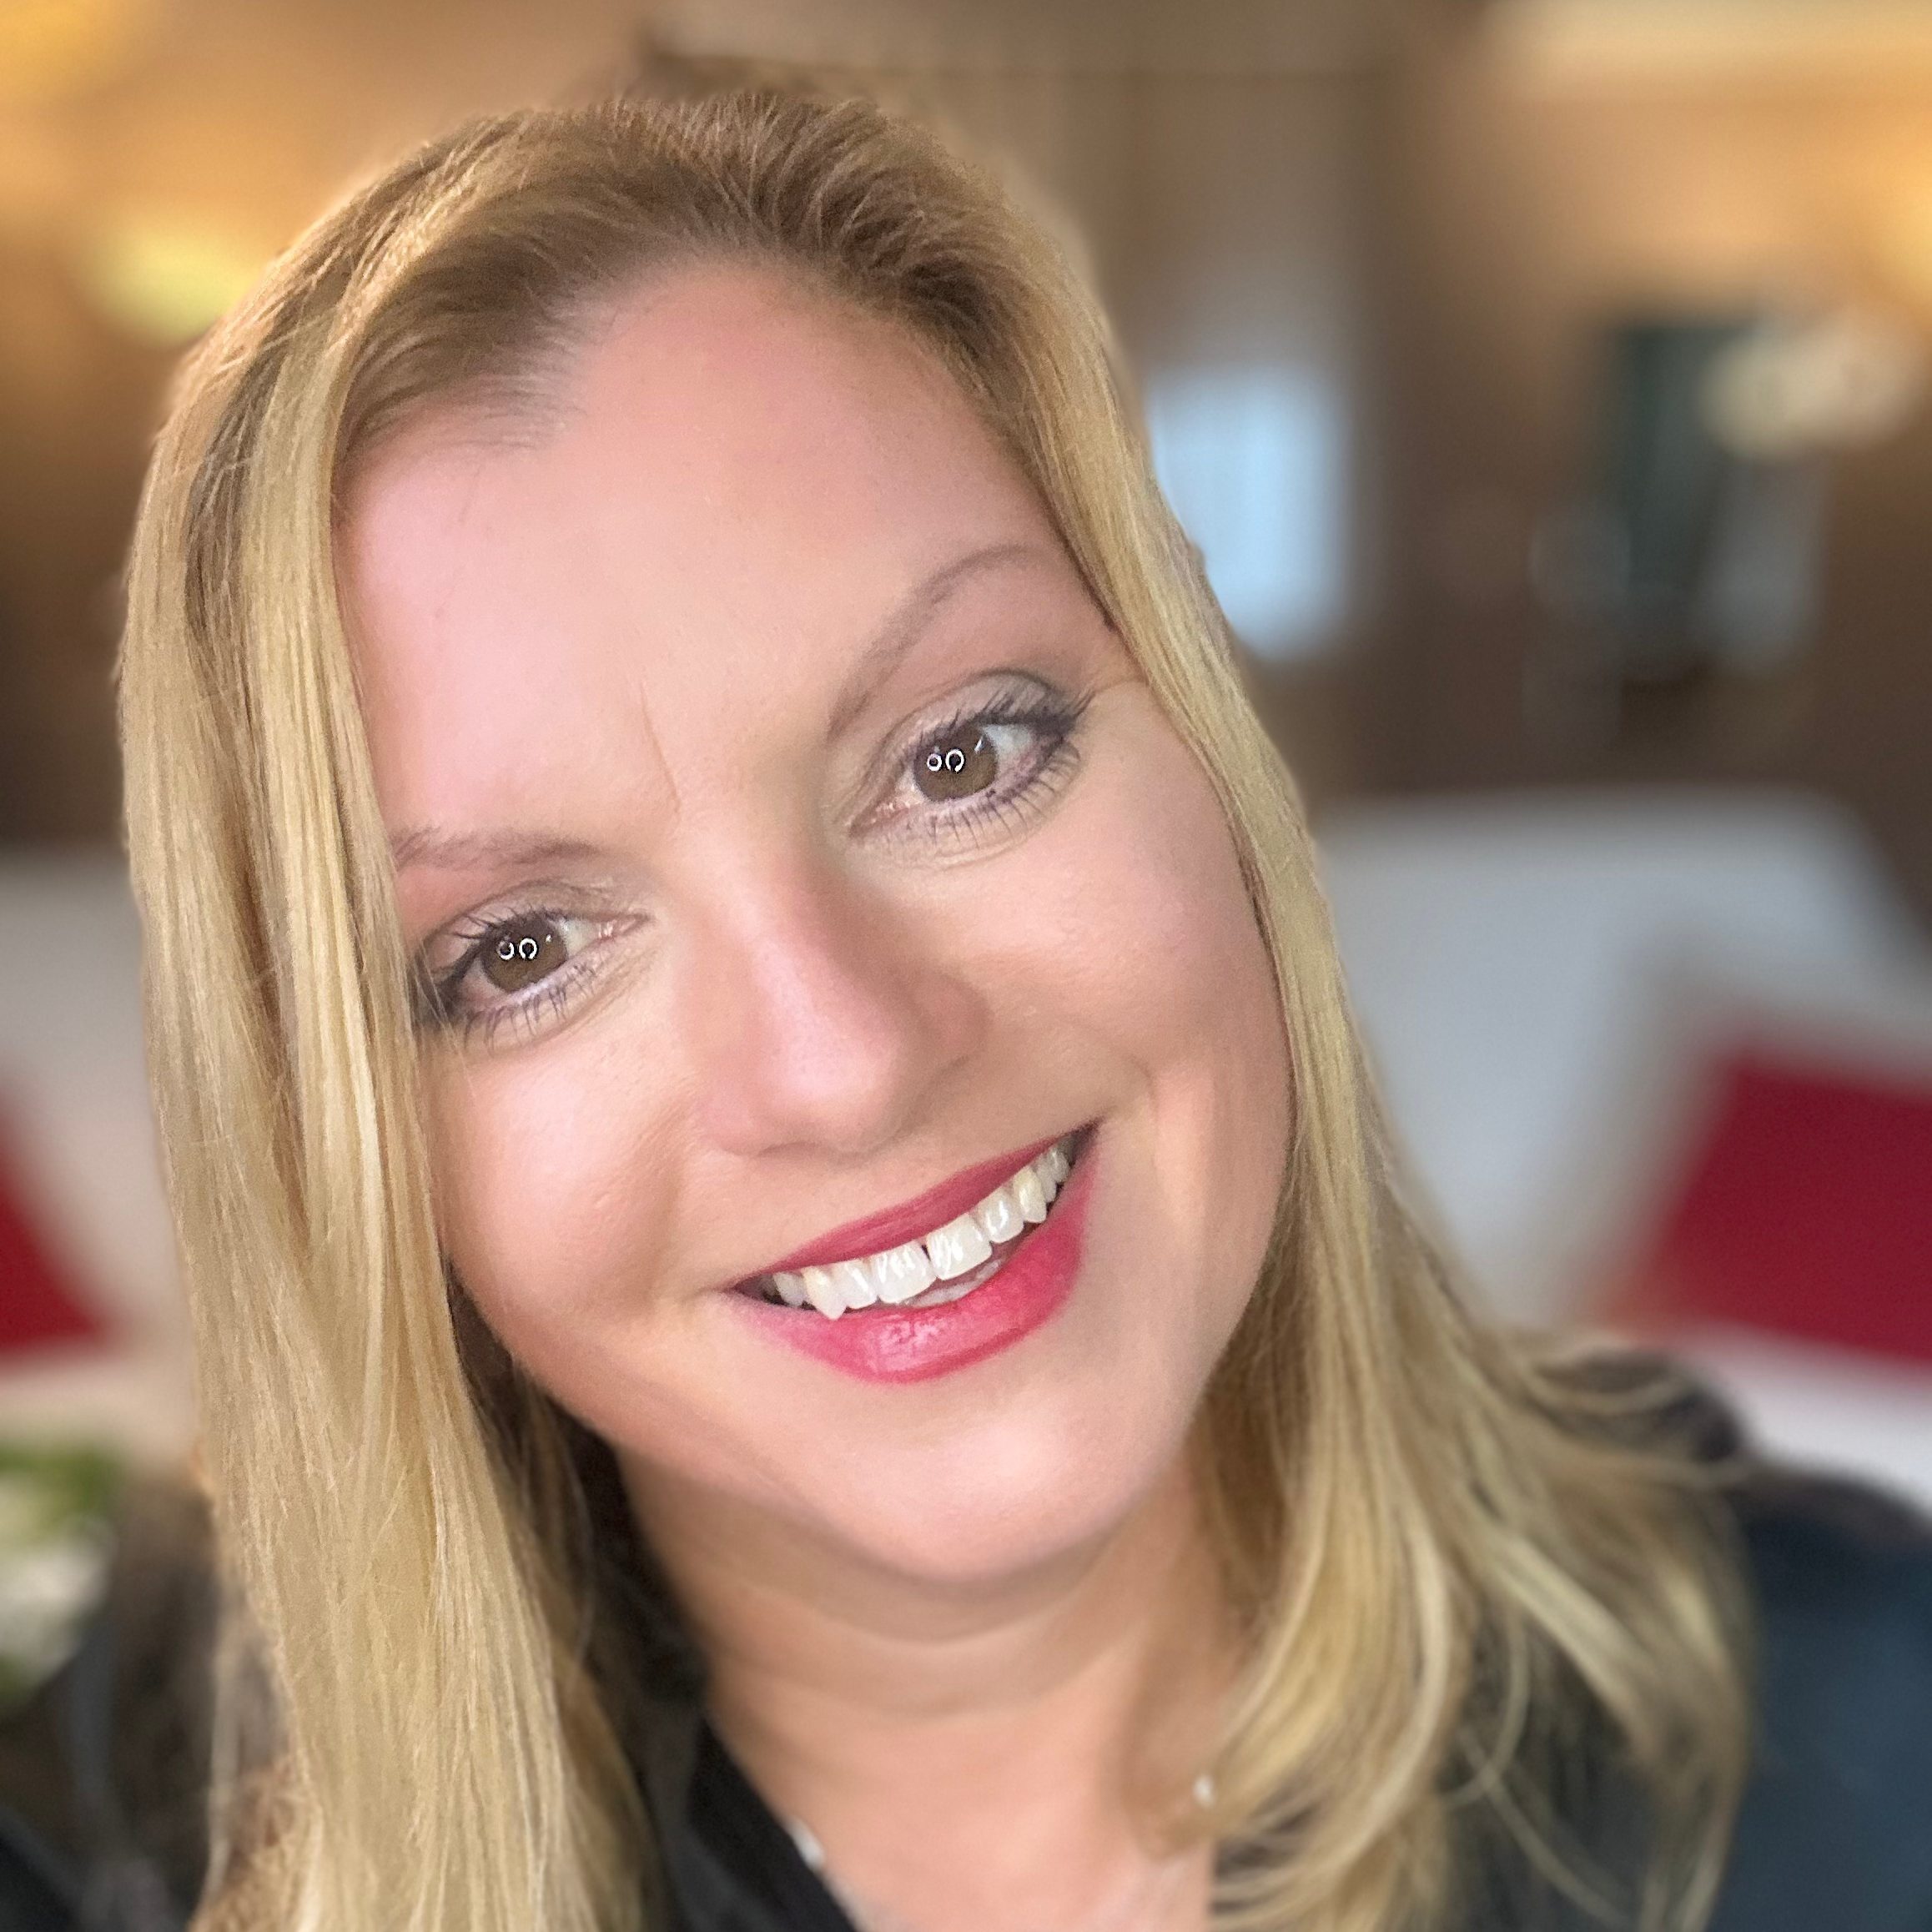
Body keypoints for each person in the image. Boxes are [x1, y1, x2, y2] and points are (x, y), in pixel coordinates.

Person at [108, 89, 1932, 1932]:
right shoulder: (110, 1854)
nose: (847, 1064)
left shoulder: (1874, 1742)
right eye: (519, 952)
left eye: (961, 756)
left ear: (1210, 746)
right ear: (338, 1140)